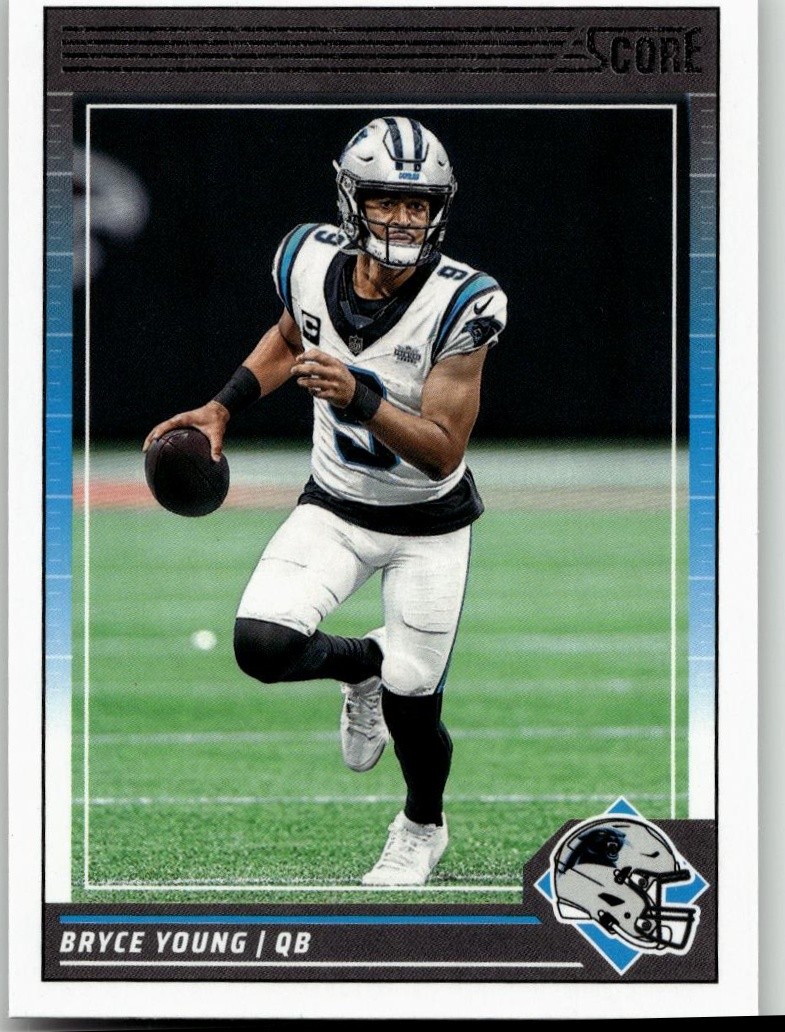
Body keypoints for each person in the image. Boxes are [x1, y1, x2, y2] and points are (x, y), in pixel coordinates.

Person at [143, 116, 507, 886]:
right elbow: (290, 334)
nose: (403, 218)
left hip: (427, 526)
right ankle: (362, 664)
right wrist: (223, 406)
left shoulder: (465, 301)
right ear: (350, 200)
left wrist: (361, 397)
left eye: (418, 204)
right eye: (386, 200)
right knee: (261, 646)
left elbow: (443, 450)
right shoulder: (306, 258)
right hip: (335, 504)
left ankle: (421, 827)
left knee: (415, 704)